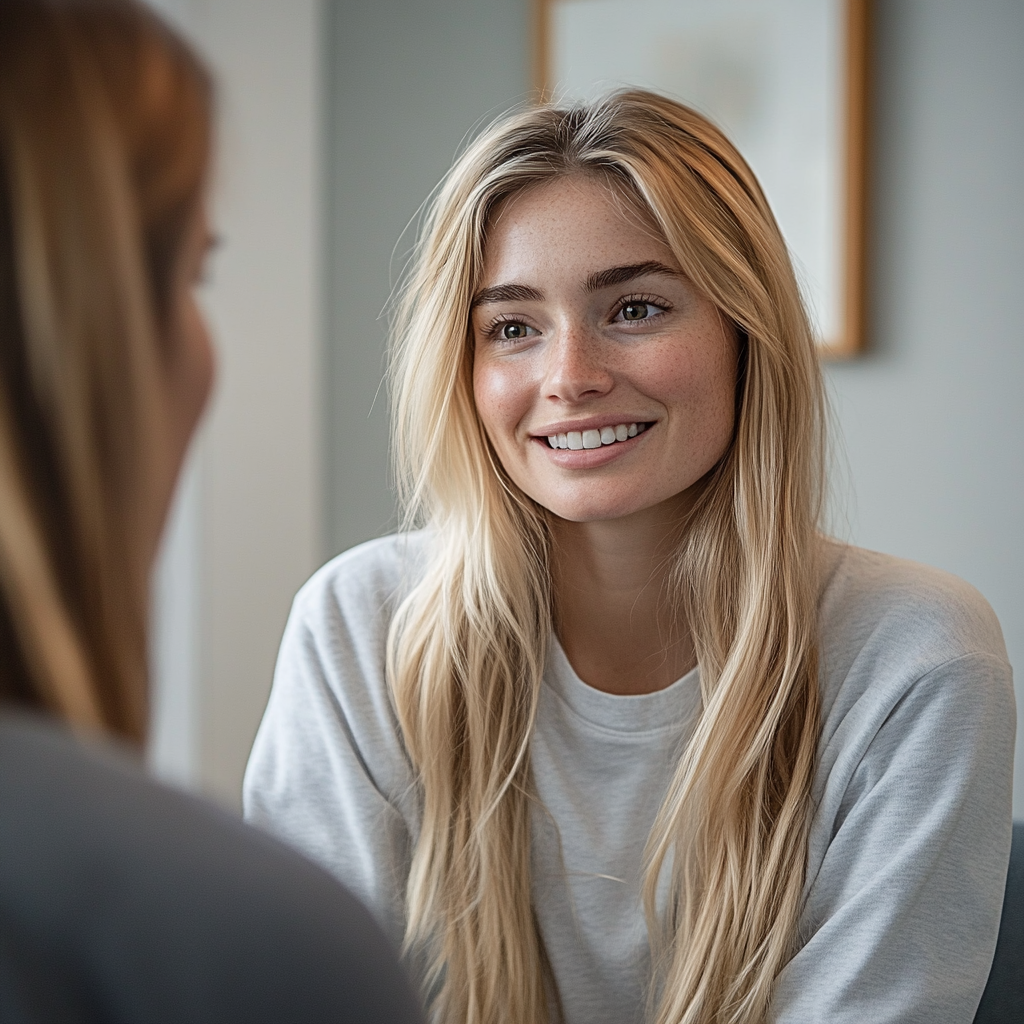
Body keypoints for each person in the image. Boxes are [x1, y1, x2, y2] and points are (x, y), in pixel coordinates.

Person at [243, 91, 1016, 1024]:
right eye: (513, 328)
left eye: (636, 308)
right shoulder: (358, 628)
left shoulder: (918, 656)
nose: (570, 376)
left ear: (745, 332)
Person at [0, 2, 424, 1022]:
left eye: (636, 308)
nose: (572, 376)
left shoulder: (882, 652)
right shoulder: (229, 945)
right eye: (194, 272)